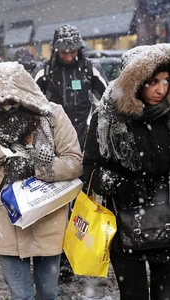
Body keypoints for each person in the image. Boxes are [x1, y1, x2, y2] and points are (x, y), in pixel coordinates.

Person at [0, 61, 83, 299]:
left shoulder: (52, 114)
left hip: (47, 213)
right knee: (21, 296)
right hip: (7, 216)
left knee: (48, 293)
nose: (6, 103)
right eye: (0, 97)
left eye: (12, 96)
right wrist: (0, 146)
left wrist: (38, 168)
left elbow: (74, 161)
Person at [83, 43, 170, 299]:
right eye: (153, 81)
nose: (161, 89)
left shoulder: (168, 116)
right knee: (134, 295)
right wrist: (119, 185)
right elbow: (89, 168)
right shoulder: (107, 119)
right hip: (125, 225)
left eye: (166, 81)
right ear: (135, 81)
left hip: (166, 223)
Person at [34, 24, 107, 149]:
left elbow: (104, 104)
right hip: (53, 140)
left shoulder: (91, 69)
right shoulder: (43, 72)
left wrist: (97, 135)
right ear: (55, 50)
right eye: (64, 53)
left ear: (79, 49)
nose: (68, 58)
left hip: (85, 139)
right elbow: (32, 105)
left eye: (72, 52)